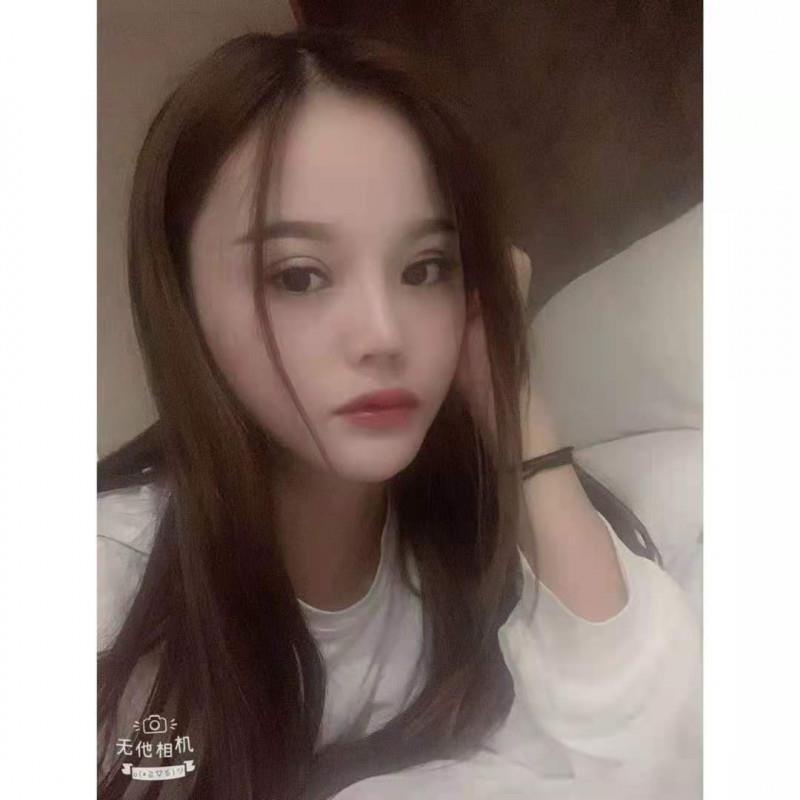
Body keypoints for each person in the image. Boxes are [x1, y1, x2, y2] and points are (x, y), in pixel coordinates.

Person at [97, 28, 701, 800]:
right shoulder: (110, 590)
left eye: (425, 268)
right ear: (182, 299)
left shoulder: (460, 518)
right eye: (300, 276)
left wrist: (513, 396)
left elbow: (656, 739)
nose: (385, 334)